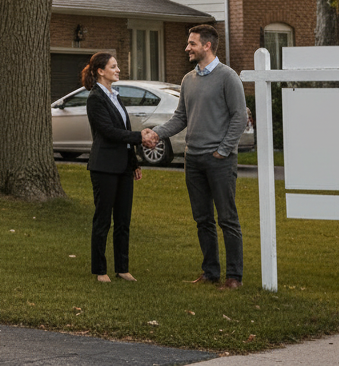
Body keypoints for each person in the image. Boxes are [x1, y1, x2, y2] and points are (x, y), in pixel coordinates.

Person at [142, 24, 247, 289]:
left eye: (192, 43)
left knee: (227, 219)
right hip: (194, 160)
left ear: (207, 45)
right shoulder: (188, 80)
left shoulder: (228, 77)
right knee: (202, 220)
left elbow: (239, 116)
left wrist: (223, 150)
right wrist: (157, 133)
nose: (187, 48)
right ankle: (210, 272)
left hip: (219, 160)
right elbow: (181, 118)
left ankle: (234, 277)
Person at [82, 52, 144, 283]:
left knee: (123, 220)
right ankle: (100, 270)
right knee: (103, 220)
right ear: (100, 71)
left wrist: (134, 163)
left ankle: (122, 268)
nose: (118, 70)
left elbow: (124, 135)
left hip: (123, 168)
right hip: (104, 167)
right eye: (114, 66)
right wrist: (140, 136)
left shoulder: (115, 97)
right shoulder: (95, 98)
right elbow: (109, 132)